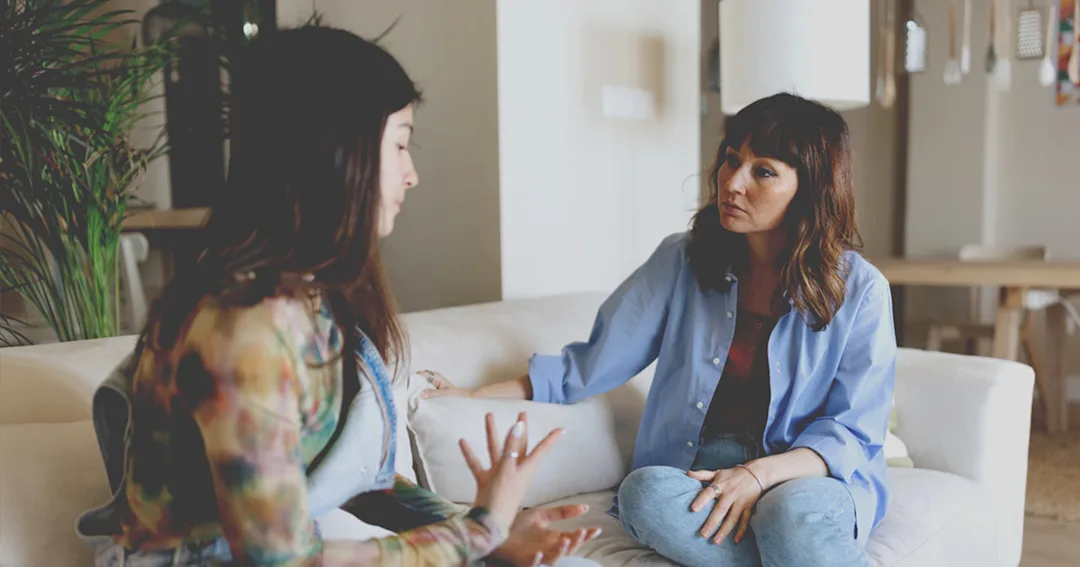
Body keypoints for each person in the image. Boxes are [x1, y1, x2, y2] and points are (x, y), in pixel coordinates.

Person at [75, 26, 602, 567]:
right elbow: (280, 559)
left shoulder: (314, 303)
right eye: (399, 143)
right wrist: (479, 531)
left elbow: (359, 478)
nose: (412, 174)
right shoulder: (241, 329)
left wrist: (486, 529)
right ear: (333, 151)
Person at [424, 92, 896, 567]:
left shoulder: (861, 291)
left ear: (810, 189)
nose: (732, 182)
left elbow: (852, 431)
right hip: (701, 475)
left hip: (804, 475)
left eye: (763, 171)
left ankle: (788, 536)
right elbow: (589, 365)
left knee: (789, 511)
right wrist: (474, 395)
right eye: (732, 160)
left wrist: (757, 478)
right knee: (643, 494)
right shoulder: (682, 259)